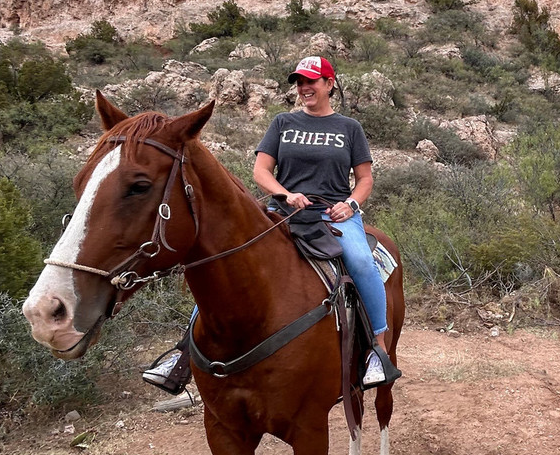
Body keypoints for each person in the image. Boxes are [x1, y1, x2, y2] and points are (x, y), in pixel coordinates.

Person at [143, 55, 394, 390]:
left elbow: (365, 179)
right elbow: (261, 171)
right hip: (281, 212)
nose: (304, 88)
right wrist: (286, 194)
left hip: (331, 213)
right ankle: (184, 352)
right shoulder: (282, 123)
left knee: (362, 261)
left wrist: (350, 205)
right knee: (230, 262)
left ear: (329, 84)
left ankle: (376, 350)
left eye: (311, 81)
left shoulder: (349, 128)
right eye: (299, 82)